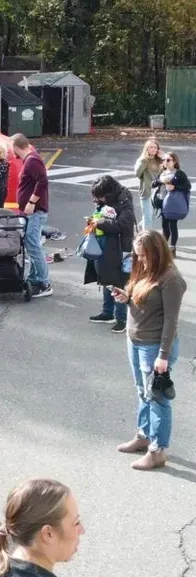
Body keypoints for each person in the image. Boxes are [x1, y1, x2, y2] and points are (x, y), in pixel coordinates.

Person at [111, 231, 187, 470]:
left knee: (157, 398)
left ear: (157, 252)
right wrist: (127, 298)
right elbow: (143, 301)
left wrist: (163, 356)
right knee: (142, 391)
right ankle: (143, 436)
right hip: (135, 340)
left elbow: (171, 321)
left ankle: (157, 451)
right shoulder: (146, 270)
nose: (141, 260)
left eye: (144, 255)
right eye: (138, 255)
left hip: (154, 346)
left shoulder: (171, 279)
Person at [85, 175, 136, 334]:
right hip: (107, 245)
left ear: (108, 192)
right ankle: (107, 313)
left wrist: (101, 223)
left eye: (100, 196)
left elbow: (124, 225)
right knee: (106, 278)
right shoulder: (107, 200)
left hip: (120, 246)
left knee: (117, 281)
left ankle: (121, 318)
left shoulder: (124, 200)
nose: (98, 199)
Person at [11, 134, 52, 297]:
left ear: (16, 146)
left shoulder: (32, 160)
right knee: (32, 245)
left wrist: (32, 202)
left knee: (33, 245)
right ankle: (35, 278)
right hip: (31, 212)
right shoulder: (30, 159)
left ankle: (44, 282)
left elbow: (43, 181)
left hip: (35, 211)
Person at [155, 152, 190, 255]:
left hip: (173, 203)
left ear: (174, 162)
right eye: (164, 160)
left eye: (168, 160)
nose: (165, 162)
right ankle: (164, 248)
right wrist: (160, 181)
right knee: (164, 225)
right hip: (162, 201)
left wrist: (175, 187)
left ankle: (172, 248)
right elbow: (153, 184)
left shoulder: (179, 173)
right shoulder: (162, 173)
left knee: (172, 225)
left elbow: (187, 187)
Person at [134, 139, 163, 231]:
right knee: (148, 217)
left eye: (155, 147)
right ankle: (147, 236)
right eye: (151, 147)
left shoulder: (160, 160)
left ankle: (140, 226)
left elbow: (169, 169)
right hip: (146, 191)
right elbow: (137, 173)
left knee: (153, 215)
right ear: (146, 149)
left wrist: (164, 156)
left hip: (158, 193)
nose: (153, 149)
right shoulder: (142, 160)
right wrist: (144, 161)